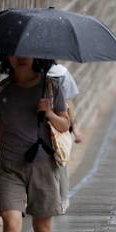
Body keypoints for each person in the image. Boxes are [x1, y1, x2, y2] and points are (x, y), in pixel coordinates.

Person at [0, 55, 70, 232]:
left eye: (26, 52)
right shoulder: (0, 92)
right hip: (9, 168)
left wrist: (49, 114)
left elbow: (65, 125)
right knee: (11, 223)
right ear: (6, 56)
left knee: (42, 227)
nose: (21, 57)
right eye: (14, 52)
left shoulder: (51, 87)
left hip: (43, 167)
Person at [47, 63, 83, 214]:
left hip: (51, 123)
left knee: (57, 163)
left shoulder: (28, 73)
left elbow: (68, 103)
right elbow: (69, 102)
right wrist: (74, 128)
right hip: (59, 124)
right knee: (60, 161)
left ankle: (60, 198)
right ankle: (62, 199)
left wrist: (74, 127)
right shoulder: (62, 72)